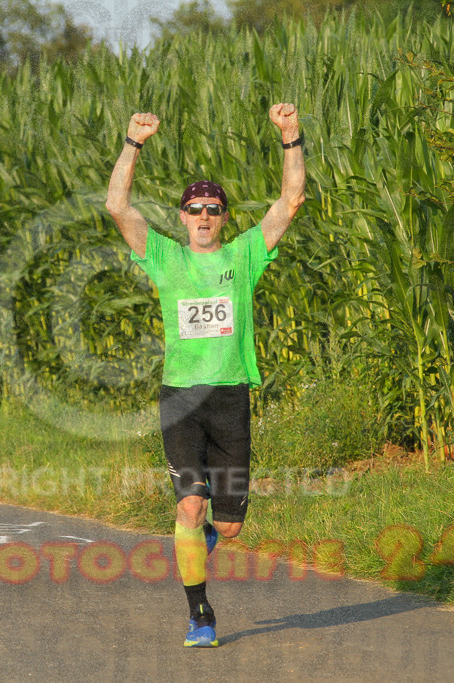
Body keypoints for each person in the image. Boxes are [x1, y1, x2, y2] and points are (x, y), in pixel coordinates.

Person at [105, 104, 306, 647]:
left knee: (232, 527)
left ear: (222, 217)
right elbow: (117, 205)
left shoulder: (244, 256)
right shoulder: (164, 258)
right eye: (193, 208)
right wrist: (133, 141)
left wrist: (291, 136)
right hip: (181, 401)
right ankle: (200, 615)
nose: (202, 216)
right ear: (182, 215)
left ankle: (202, 536)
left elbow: (290, 201)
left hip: (230, 401)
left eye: (213, 209)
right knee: (189, 504)